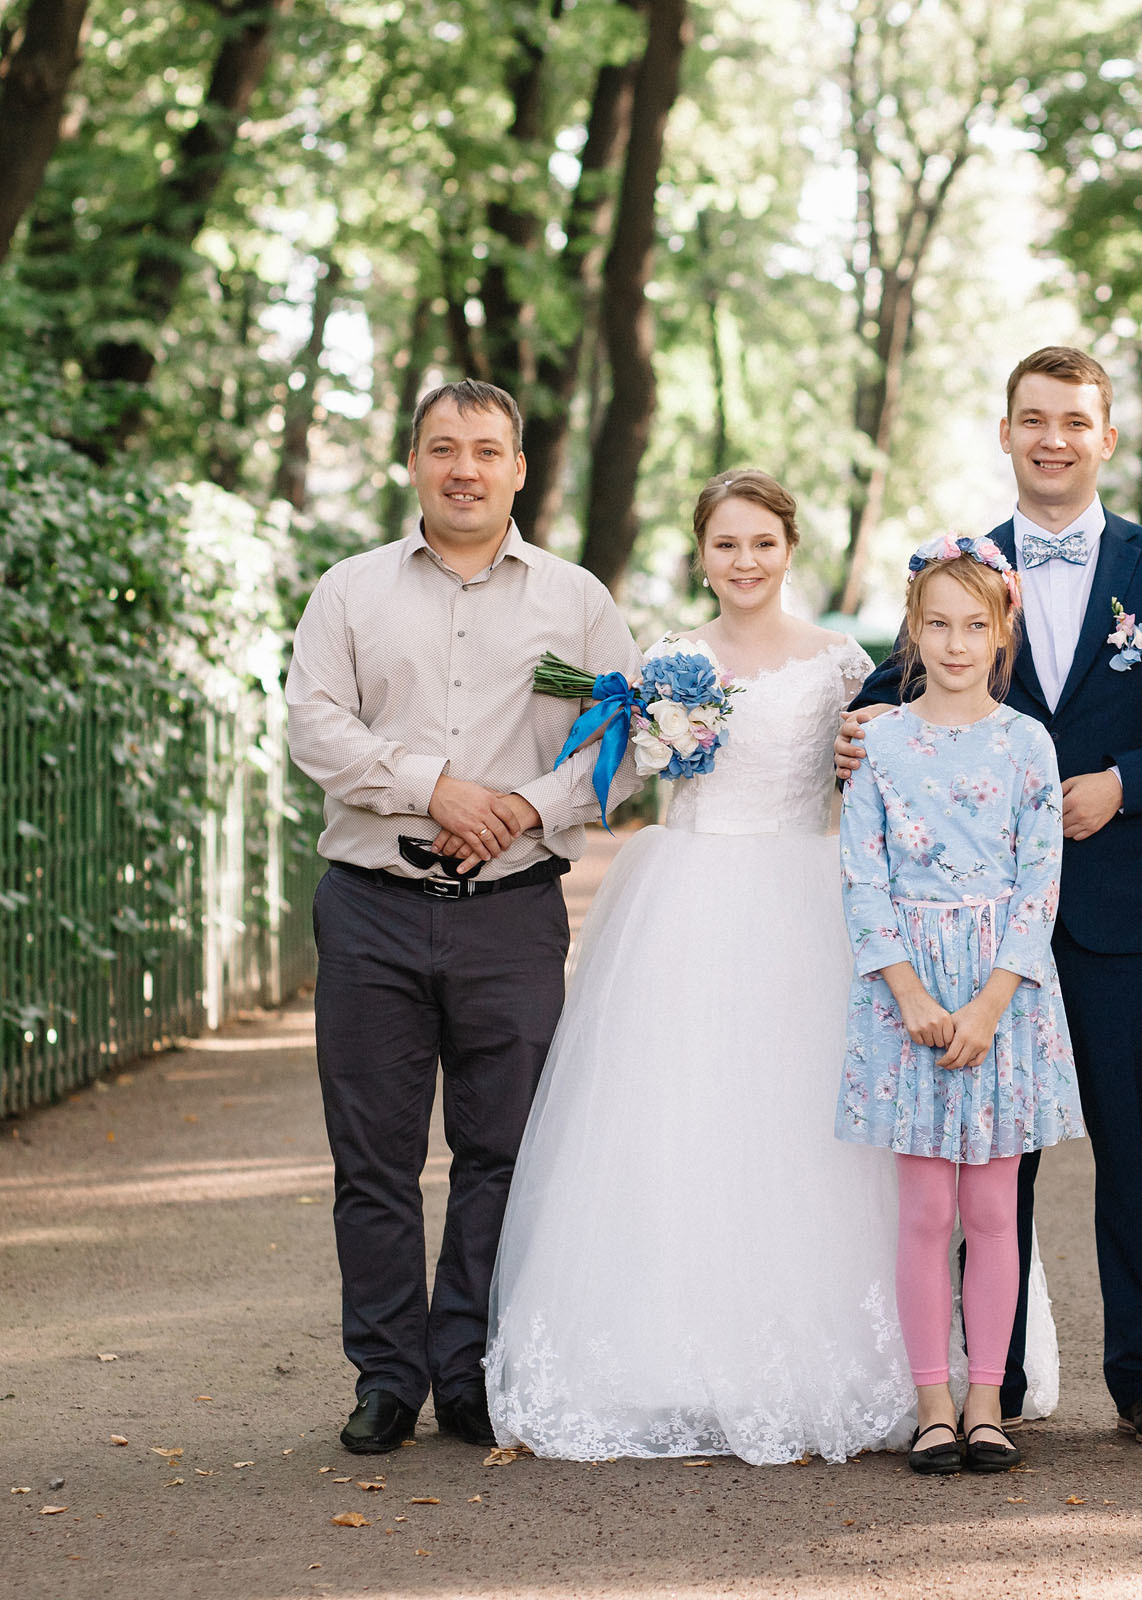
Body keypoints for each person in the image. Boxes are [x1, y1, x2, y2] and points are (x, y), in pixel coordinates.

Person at [486, 471, 1058, 1465]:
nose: (744, 562)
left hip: (806, 896)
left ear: (790, 548)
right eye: (725, 544)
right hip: (687, 896)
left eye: (761, 543)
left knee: (819, 1133)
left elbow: (890, 753)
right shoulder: (666, 659)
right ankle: (670, 1355)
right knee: (681, 1121)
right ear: (701, 553)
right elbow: (615, 768)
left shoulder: (842, 664)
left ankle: (899, 1372)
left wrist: (871, 743)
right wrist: (634, 756)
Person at [836, 346, 1142, 1448]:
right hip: (975, 933)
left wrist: (1131, 781)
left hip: (1119, 906)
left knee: (1134, 1150)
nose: (1054, 438)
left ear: (1106, 437)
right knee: (986, 1160)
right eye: (1034, 419)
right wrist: (855, 729)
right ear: (1008, 431)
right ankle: (998, 1381)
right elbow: (905, 686)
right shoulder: (964, 571)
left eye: (1075, 420)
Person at [285, 380, 642, 1455]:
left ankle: (472, 1368)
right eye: (444, 448)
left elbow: (620, 743)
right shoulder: (347, 593)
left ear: (520, 468)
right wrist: (435, 786)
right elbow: (315, 727)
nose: (465, 469)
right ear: (413, 462)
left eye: (487, 450)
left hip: (512, 916)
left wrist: (526, 807)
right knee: (375, 1159)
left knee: (504, 1153)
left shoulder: (578, 602)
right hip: (370, 914)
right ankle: (387, 1377)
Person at [836, 537, 1089, 1475]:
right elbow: (862, 876)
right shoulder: (880, 739)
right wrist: (908, 992)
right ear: (912, 630)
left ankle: (989, 1399)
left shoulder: (1027, 743)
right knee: (922, 1210)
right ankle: (931, 1399)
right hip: (906, 996)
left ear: (1001, 634)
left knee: (994, 1211)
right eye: (936, 625)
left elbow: (1040, 884)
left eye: (973, 626)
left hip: (1002, 998)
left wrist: (987, 1003)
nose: (953, 643)